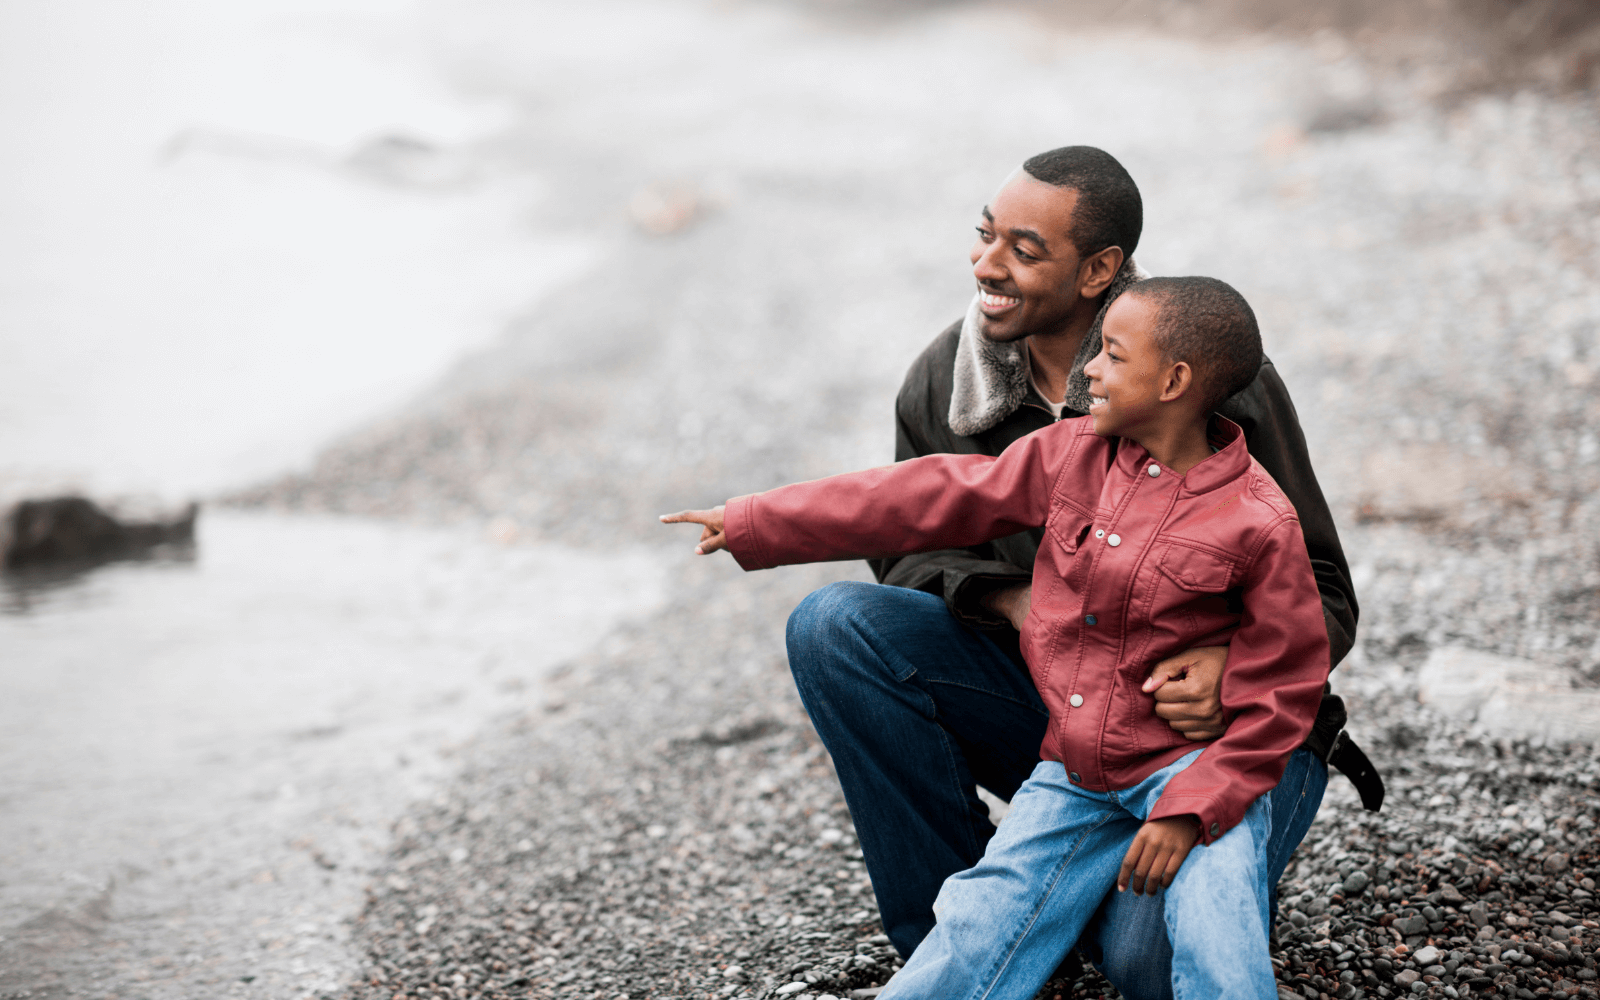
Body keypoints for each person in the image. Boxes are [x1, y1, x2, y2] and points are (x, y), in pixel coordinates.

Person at [664, 275, 1330, 999]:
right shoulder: (1073, 454)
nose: (1089, 371)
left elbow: (1284, 687)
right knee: (976, 925)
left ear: (1173, 382)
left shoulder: (1260, 519)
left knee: (1210, 931)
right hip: (1074, 772)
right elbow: (927, 496)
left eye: (1111, 355)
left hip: (1197, 765)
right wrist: (760, 521)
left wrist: (1198, 805)